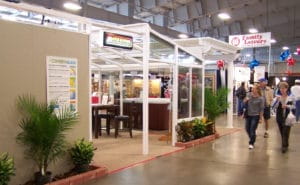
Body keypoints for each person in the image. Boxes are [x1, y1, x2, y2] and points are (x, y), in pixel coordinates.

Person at [271, 82, 295, 153]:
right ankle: (285, 144)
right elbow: (273, 107)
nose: (282, 89)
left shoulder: (290, 97)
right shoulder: (277, 97)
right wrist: (277, 101)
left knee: (286, 131)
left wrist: (286, 106)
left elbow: (293, 106)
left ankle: (284, 146)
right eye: (281, 88)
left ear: (286, 89)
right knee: (282, 131)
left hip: (288, 116)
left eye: (283, 88)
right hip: (279, 116)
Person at [244, 84, 264, 149]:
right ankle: (253, 137)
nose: (252, 89)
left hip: (255, 116)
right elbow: (244, 103)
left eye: (254, 88)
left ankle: (251, 143)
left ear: (257, 90)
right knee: (247, 129)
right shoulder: (249, 95)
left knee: (252, 129)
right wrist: (245, 100)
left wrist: (261, 118)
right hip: (248, 115)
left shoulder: (261, 98)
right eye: (252, 88)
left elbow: (261, 109)